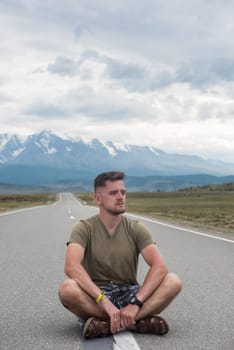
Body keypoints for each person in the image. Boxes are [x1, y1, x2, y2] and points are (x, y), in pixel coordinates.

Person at [58, 171, 182, 339]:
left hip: (129, 292)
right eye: (113, 193)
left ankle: (109, 324)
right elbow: (71, 266)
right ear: (97, 199)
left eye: (123, 192)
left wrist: (136, 303)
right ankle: (136, 322)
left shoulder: (136, 228)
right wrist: (104, 301)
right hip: (97, 295)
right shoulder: (83, 228)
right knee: (67, 289)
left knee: (173, 281)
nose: (120, 197)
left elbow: (159, 267)